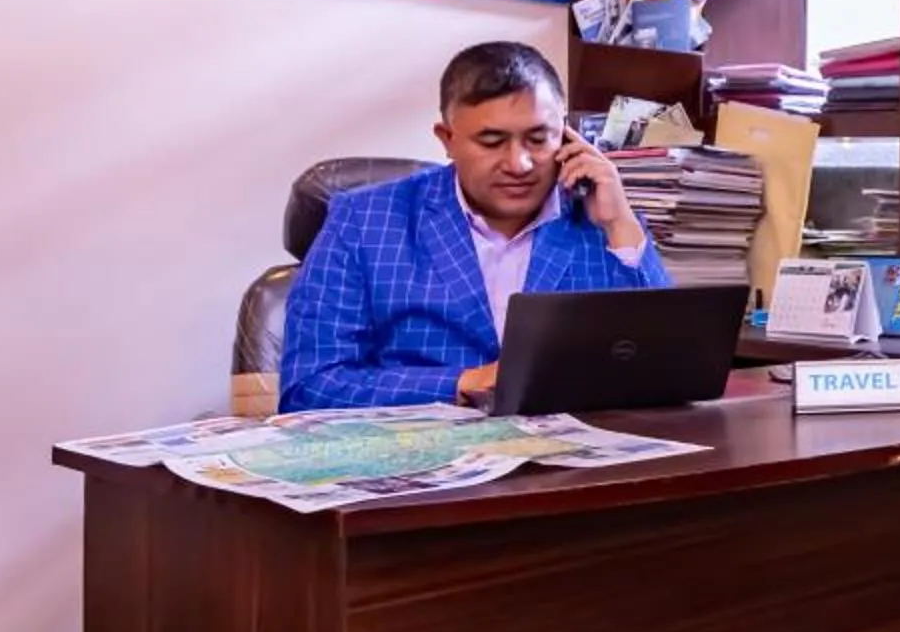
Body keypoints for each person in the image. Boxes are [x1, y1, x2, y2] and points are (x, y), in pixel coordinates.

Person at [278, 42, 667, 410]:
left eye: (538, 138)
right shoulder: (364, 222)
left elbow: (664, 369)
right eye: (492, 141)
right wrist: (463, 383)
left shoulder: (598, 213)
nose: (519, 164)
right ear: (447, 140)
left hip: (572, 466)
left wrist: (621, 224)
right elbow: (310, 387)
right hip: (421, 463)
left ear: (565, 133)